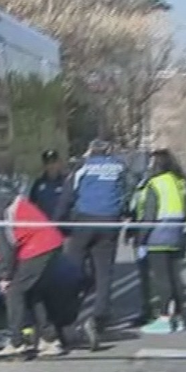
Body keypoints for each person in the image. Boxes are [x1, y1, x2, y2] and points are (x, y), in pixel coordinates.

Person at [0, 184, 86, 358]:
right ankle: (50, 339)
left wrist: (5, 277)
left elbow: (2, 245)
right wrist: (1, 274)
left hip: (38, 244)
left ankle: (17, 342)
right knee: (32, 293)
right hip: (39, 244)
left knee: (14, 291)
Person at [56, 139, 131, 346]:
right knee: (104, 274)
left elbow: (67, 196)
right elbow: (128, 193)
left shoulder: (82, 167)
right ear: (108, 151)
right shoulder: (119, 166)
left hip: (84, 220)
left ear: (91, 151)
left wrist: (59, 225)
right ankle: (98, 319)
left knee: (72, 271)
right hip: (109, 222)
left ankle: (66, 319)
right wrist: (125, 214)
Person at [133, 148, 186, 334]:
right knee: (175, 278)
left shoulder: (155, 184)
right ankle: (179, 317)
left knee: (161, 279)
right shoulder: (179, 182)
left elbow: (149, 214)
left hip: (157, 237)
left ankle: (165, 318)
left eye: (151, 163)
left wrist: (142, 240)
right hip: (177, 234)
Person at [29, 149, 69, 223]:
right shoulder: (39, 183)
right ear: (44, 165)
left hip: (63, 224)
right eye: (48, 163)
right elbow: (32, 204)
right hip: (44, 224)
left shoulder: (66, 182)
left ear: (59, 163)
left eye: (54, 162)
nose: (51, 166)